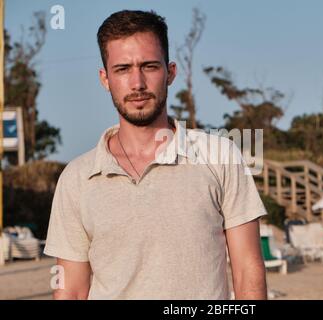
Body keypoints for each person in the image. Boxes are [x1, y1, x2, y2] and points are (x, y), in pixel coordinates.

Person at [44, 10, 268, 300]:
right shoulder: (77, 178)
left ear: (170, 72)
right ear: (105, 78)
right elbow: (71, 290)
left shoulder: (220, 155)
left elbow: (247, 271)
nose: (137, 83)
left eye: (149, 66)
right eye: (122, 69)